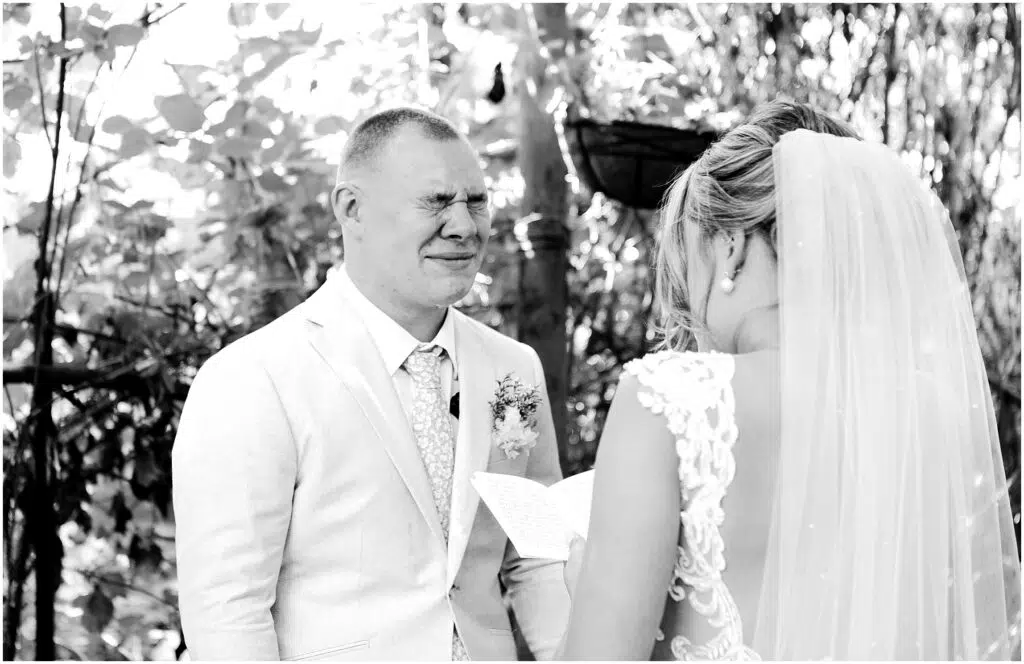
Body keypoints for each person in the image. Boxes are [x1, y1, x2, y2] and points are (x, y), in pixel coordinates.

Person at [556, 100, 1021, 660]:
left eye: (691, 256)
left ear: (729, 247)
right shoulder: (942, 413)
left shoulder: (670, 401)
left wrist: (586, 584)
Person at [173, 107, 570, 661]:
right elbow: (227, 612)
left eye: (475, 201)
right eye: (436, 201)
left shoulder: (513, 371)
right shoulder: (253, 378)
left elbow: (538, 553)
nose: (463, 225)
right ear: (351, 208)